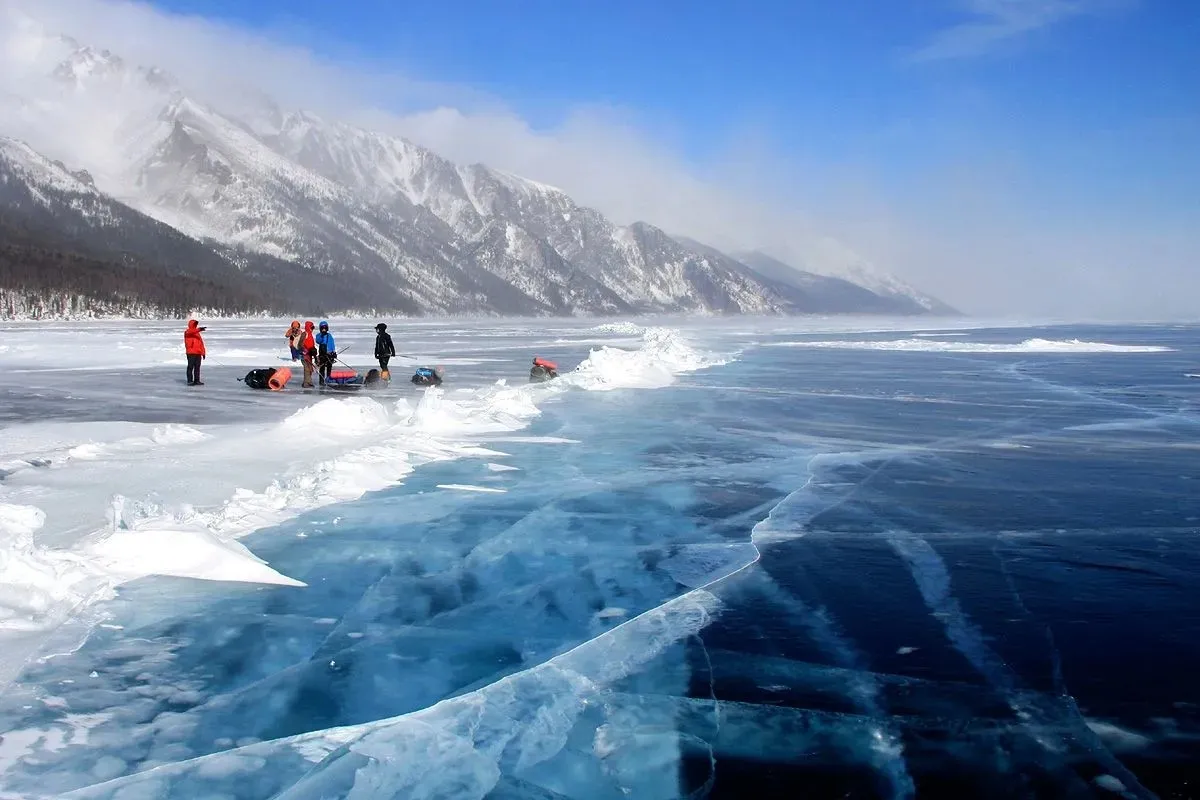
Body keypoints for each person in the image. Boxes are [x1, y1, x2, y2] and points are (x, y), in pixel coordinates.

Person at [184, 319, 206, 386]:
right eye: (194, 324)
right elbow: (191, 332)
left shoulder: (197, 333)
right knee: (190, 367)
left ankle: (197, 380)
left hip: (198, 353)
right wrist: (199, 329)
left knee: (197, 367)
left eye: (196, 324)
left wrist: (203, 352)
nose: (195, 326)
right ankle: (190, 381)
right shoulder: (187, 332)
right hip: (191, 353)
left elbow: (201, 343)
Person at [314, 319, 336, 386]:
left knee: (329, 368)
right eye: (322, 328)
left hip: (329, 354)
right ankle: (321, 382)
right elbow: (318, 341)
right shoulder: (319, 335)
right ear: (320, 329)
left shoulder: (329, 336)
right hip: (322, 354)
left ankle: (329, 380)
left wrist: (334, 352)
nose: (324, 329)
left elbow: (332, 344)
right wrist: (322, 335)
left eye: (325, 328)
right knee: (322, 368)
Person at [300, 320, 317, 388]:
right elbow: (300, 344)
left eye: (313, 328)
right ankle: (306, 383)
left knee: (310, 368)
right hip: (305, 354)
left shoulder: (310, 335)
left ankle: (309, 381)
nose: (312, 329)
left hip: (309, 354)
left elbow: (311, 344)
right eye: (311, 327)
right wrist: (305, 350)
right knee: (306, 368)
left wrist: (314, 350)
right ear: (308, 327)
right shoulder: (304, 334)